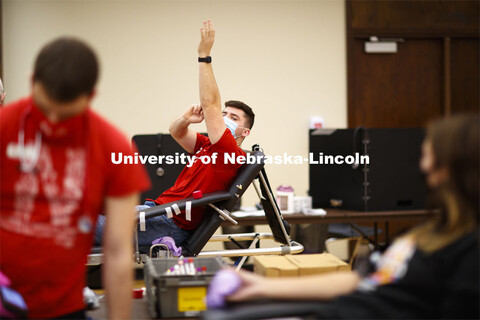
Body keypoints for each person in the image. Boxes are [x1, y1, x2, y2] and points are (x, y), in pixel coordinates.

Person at [223, 114, 479, 319]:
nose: (421, 164)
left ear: (449, 167)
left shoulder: (469, 250)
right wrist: (257, 286)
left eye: (427, 154)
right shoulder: (426, 233)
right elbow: (360, 279)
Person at [0, 37, 150, 319]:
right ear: (32, 82)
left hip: (64, 307)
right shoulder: (4, 127)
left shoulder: (113, 147)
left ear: (91, 95)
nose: (54, 122)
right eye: (45, 108)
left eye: (66, 113)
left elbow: (118, 251)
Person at [94, 20, 255, 249]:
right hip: (154, 212)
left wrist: (204, 56)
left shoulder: (228, 153)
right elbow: (176, 132)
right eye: (225, 114)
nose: (226, 118)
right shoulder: (206, 145)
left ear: (245, 132)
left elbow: (210, 105)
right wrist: (186, 119)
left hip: (167, 223)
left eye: (234, 118)